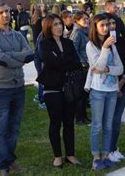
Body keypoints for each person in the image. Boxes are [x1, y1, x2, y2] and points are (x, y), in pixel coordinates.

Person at [0, 2, 34, 175]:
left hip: (18, 86)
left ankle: (10, 159)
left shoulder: (18, 35)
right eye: (1, 12)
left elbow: (30, 55)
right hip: (1, 88)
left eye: (7, 12)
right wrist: (17, 57)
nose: (5, 15)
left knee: (14, 127)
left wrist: (10, 56)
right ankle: (2, 166)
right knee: (1, 128)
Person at [36, 15, 83, 168]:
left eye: (60, 24)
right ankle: (57, 156)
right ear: (48, 27)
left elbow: (76, 63)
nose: (59, 27)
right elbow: (50, 62)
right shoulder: (44, 44)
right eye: (55, 24)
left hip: (69, 88)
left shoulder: (68, 42)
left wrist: (60, 61)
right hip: (52, 88)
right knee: (55, 123)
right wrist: (64, 61)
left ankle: (70, 154)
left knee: (69, 123)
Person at [85, 14, 123, 170]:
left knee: (108, 125)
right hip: (98, 91)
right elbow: (97, 67)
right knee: (97, 125)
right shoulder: (91, 45)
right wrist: (105, 49)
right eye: (102, 25)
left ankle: (106, 155)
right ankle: (96, 157)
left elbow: (119, 68)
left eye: (108, 25)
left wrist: (108, 69)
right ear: (95, 27)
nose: (106, 28)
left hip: (112, 90)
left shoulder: (113, 45)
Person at [104, 13, 125, 163]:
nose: (111, 26)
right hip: (107, 86)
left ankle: (113, 148)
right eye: (108, 24)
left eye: (114, 23)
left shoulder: (121, 42)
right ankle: (107, 150)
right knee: (107, 120)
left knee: (116, 119)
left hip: (122, 85)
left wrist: (121, 83)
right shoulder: (100, 43)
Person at [70, 11, 91, 125]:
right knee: (80, 94)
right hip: (80, 68)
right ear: (77, 21)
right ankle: (79, 118)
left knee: (85, 94)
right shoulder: (77, 33)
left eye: (87, 19)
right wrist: (82, 62)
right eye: (84, 19)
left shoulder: (85, 31)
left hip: (87, 66)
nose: (87, 21)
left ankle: (84, 116)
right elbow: (73, 50)